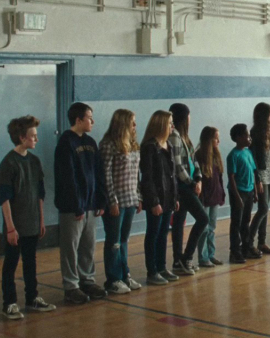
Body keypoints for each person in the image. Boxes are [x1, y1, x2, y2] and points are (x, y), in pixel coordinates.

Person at [0, 116, 57, 321]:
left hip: (32, 222)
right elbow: (4, 199)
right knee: (11, 263)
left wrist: (41, 220)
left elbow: (40, 194)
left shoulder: (34, 161)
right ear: (22, 137)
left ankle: (32, 297)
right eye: (33, 136)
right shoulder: (8, 163)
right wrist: (10, 227)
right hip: (16, 225)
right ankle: (9, 303)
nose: (36, 139)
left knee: (30, 262)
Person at [54, 103, 108, 304]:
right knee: (71, 247)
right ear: (78, 120)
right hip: (73, 208)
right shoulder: (66, 143)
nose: (92, 121)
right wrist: (76, 205)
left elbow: (98, 172)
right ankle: (71, 286)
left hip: (91, 205)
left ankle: (87, 280)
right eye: (89, 117)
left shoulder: (91, 142)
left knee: (88, 246)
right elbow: (67, 177)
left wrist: (101, 200)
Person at [99, 109, 142, 295]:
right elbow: (106, 175)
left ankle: (125, 274)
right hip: (116, 201)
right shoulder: (108, 145)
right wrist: (112, 201)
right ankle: (113, 279)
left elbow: (136, 174)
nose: (135, 126)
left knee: (124, 239)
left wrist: (138, 196)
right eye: (132, 122)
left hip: (130, 199)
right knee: (114, 241)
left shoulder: (133, 144)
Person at [167, 103, 209, 276]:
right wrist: (192, 183)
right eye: (189, 115)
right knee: (203, 218)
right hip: (183, 187)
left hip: (190, 184)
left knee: (179, 223)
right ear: (184, 118)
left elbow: (194, 161)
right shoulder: (174, 137)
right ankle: (186, 257)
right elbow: (178, 167)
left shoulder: (185, 137)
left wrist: (199, 178)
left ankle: (178, 261)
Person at [141, 110, 180, 285]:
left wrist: (175, 197)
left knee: (163, 233)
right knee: (153, 234)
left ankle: (162, 266)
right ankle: (152, 271)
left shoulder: (168, 145)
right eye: (170, 123)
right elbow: (147, 178)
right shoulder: (149, 147)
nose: (172, 126)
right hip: (156, 199)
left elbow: (172, 175)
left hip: (168, 197)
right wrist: (154, 201)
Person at [249, 103, 270, 256]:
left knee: (265, 210)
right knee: (263, 208)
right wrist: (258, 179)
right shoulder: (254, 134)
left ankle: (262, 242)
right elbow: (254, 158)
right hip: (261, 175)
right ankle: (248, 242)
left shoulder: (268, 133)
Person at [227, 124, 260, 263]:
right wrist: (237, 197)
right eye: (247, 135)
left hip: (249, 191)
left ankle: (246, 248)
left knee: (246, 222)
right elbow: (231, 178)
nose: (249, 138)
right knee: (236, 222)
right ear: (239, 138)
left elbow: (252, 172)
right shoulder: (233, 155)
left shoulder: (248, 152)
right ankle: (235, 251)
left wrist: (255, 192)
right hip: (239, 193)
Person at [195, 126, 225, 267]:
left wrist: (222, 193)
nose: (218, 141)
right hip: (204, 198)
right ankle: (203, 257)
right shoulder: (199, 156)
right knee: (204, 229)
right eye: (215, 138)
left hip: (215, 196)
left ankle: (211, 254)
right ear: (208, 139)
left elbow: (219, 178)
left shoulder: (216, 156)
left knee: (212, 228)